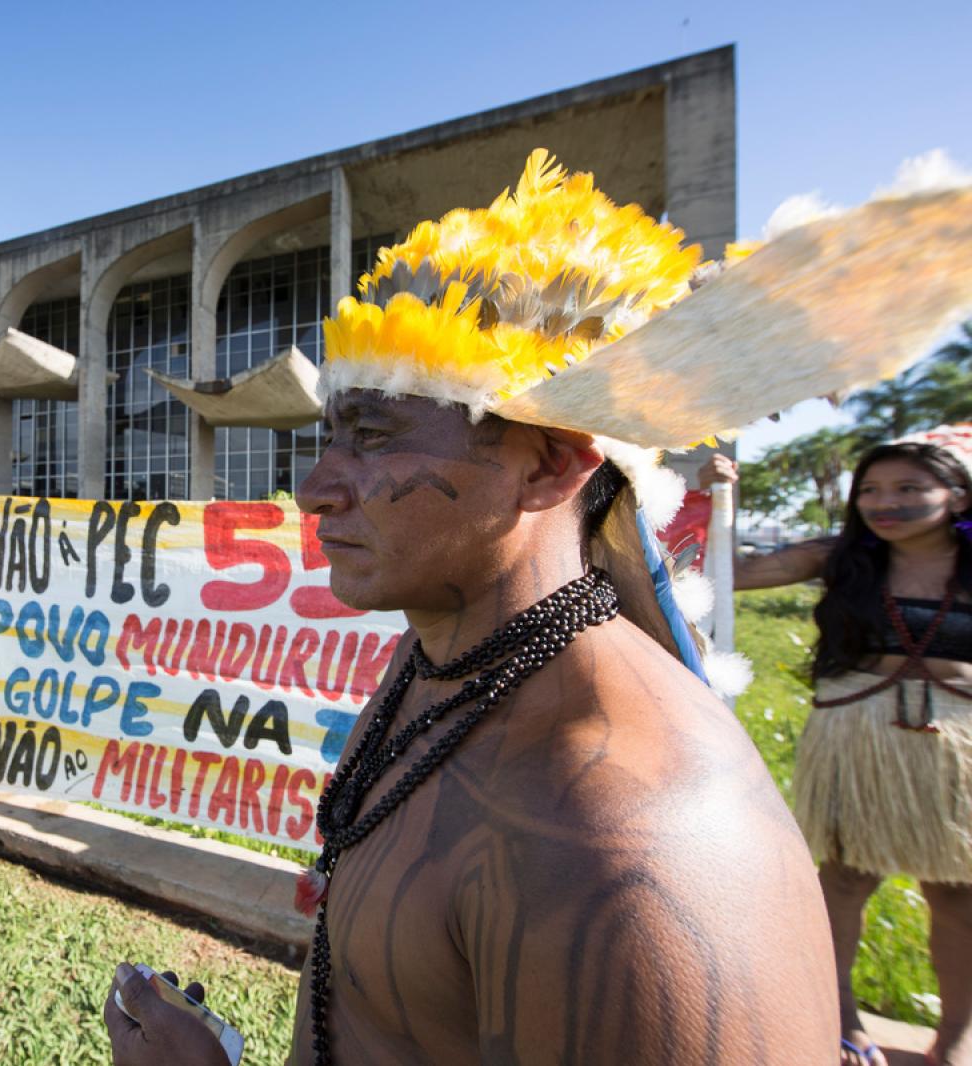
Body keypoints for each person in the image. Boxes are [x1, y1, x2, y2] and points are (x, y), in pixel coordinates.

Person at [104, 151, 837, 1065]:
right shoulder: (447, 664)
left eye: (371, 437)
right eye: (329, 436)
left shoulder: (626, 833)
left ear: (548, 463)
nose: (315, 489)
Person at [702, 427, 972, 1066]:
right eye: (871, 490)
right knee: (845, 879)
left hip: (957, 745)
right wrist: (718, 502)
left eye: (910, 488)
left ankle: (957, 1037)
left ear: (958, 497)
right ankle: (840, 1017)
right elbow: (723, 576)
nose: (886, 503)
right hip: (857, 736)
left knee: (960, 893)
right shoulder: (840, 555)